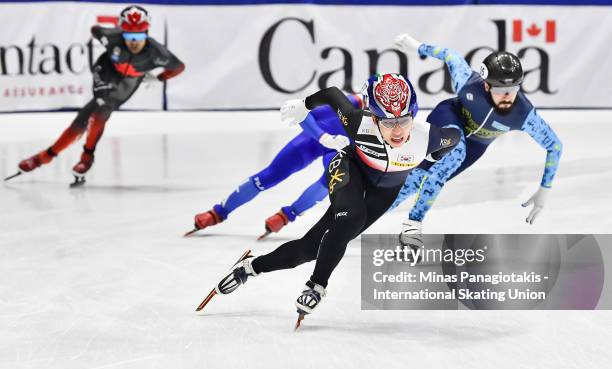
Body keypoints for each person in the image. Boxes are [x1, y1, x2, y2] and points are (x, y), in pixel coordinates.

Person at [195, 74, 461, 328]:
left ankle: (251, 267)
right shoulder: (358, 122)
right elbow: (333, 95)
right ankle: (316, 286)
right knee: (350, 218)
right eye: (387, 122)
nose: (397, 130)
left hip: (385, 191)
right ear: (372, 115)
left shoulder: (429, 137)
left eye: (404, 120)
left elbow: (454, 138)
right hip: (349, 169)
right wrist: (303, 105)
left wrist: (433, 158)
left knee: (309, 249)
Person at [392, 34, 563, 247]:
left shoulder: (524, 115)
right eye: (501, 90)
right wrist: (418, 47)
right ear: (486, 86)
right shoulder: (467, 82)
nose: (508, 96)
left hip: (476, 146)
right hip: (450, 118)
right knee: (457, 150)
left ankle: (358, 215)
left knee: (413, 182)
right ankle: (413, 225)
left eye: (513, 89)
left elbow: (554, 146)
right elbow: (450, 56)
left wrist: (544, 190)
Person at [5, 5, 185, 186]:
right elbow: (96, 30)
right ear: (121, 31)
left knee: (94, 114)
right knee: (97, 108)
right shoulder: (110, 36)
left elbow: (178, 67)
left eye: (139, 36)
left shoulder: (158, 53)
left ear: (147, 32)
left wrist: (160, 78)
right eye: (129, 35)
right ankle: (80, 157)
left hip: (129, 82)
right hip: (106, 71)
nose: (133, 42)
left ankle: (51, 156)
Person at [185, 95, 362, 239]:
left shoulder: (385, 121)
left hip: (339, 150)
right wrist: (324, 138)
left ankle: (287, 216)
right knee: (270, 175)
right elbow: (304, 115)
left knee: (330, 180)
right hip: (314, 141)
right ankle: (218, 212)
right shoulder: (349, 103)